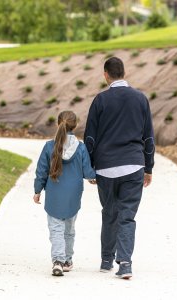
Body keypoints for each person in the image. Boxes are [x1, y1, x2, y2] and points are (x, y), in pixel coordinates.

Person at [84, 57, 155, 279]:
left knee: (109, 213)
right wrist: (149, 167)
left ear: (106, 74)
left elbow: (90, 138)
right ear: (124, 72)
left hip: (105, 167)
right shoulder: (140, 99)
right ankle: (125, 264)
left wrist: (90, 167)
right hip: (134, 165)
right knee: (127, 216)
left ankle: (106, 260)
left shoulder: (100, 100)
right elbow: (149, 138)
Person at [34, 110, 96, 277]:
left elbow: (41, 171)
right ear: (75, 126)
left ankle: (58, 261)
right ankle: (67, 260)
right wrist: (94, 177)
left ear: (57, 124)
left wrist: (37, 190)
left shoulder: (49, 146)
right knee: (69, 229)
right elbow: (88, 172)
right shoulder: (81, 147)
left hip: (54, 193)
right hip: (73, 195)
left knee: (56, 229)